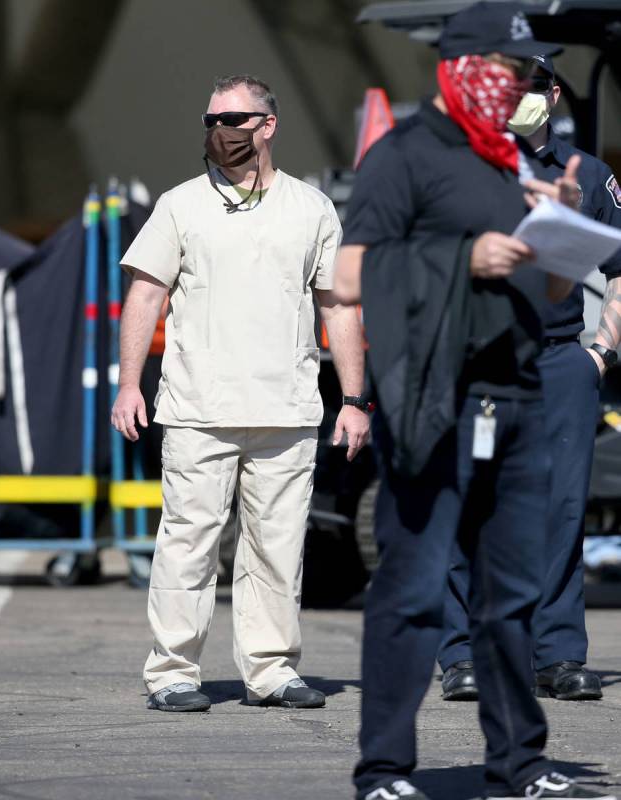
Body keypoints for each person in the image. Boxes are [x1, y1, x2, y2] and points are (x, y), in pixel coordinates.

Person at [334, 3, 617, 799]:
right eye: (508, 69)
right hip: (435, 401)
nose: (521, 86)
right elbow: (351, 275)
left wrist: (559, 224)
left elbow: (553, 284)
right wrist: (464, 256)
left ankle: (519, 763)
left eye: (529, 74)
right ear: (461, 69)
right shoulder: (405, 156)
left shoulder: (514, 165)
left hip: (520, 399)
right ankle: (385, 770)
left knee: (513, 598)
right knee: (415, 591)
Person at [111, 74, 370, 713]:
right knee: (188, 543)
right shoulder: (180, 205)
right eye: (210, 120)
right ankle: (172, 671)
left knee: (279, 548)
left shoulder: (311, 209)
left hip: (286, 407)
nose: (219, 131)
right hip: (200, 407)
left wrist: (355, 399)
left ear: (268, 125)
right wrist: (127, 385)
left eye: (234, 118)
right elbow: (145, 294)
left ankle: (271, 670)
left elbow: (337, 306)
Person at [439, 55, 621, 704]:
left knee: (563, 509)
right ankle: (461, 653)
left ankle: (557, 654)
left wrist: (601, 350)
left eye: (530, 88)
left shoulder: (588, 175)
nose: (519, 99)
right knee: (469, 502)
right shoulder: (471, 165)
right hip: (481, 359)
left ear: (552, 95)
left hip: (559, 361)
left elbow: (620, 266)